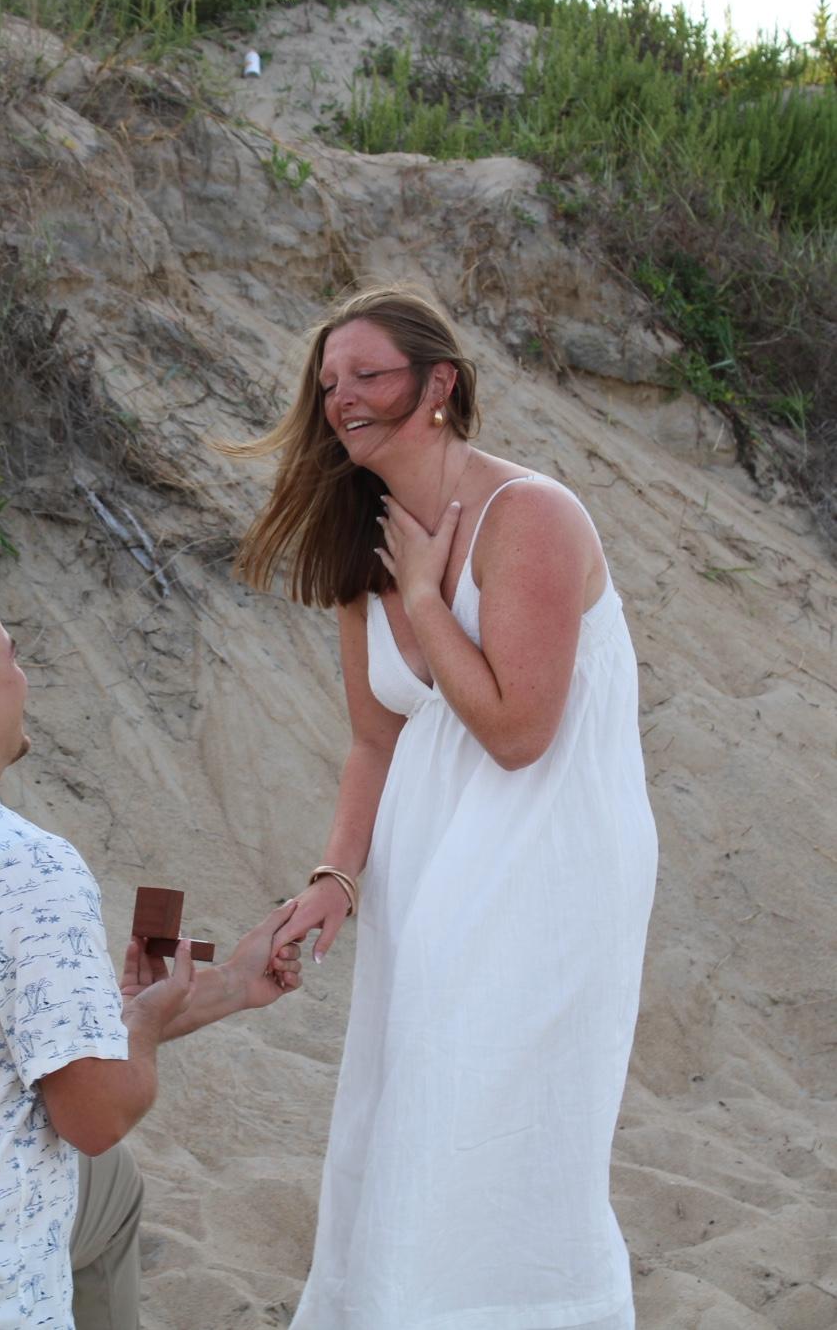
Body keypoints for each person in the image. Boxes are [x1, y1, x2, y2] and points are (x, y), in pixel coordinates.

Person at [232, 286, 657, 1328]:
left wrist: (424, 597)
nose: (341, 399)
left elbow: (518, 731)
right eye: (328, 383)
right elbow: (374, 738)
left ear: (438, 385)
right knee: (406, 1107)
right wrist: (335, 877)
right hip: (429, 860)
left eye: (367, 375)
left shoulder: (532, 516)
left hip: (547, 857)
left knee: (498, 1114)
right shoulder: (362, 544)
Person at [0, 573, 302, 1329]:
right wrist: (138, 1029)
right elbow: (95, 1116)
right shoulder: (25, 863)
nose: (25, 678)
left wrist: (230, 982)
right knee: (106, 1156)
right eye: (13, 657)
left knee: (110, 1185)